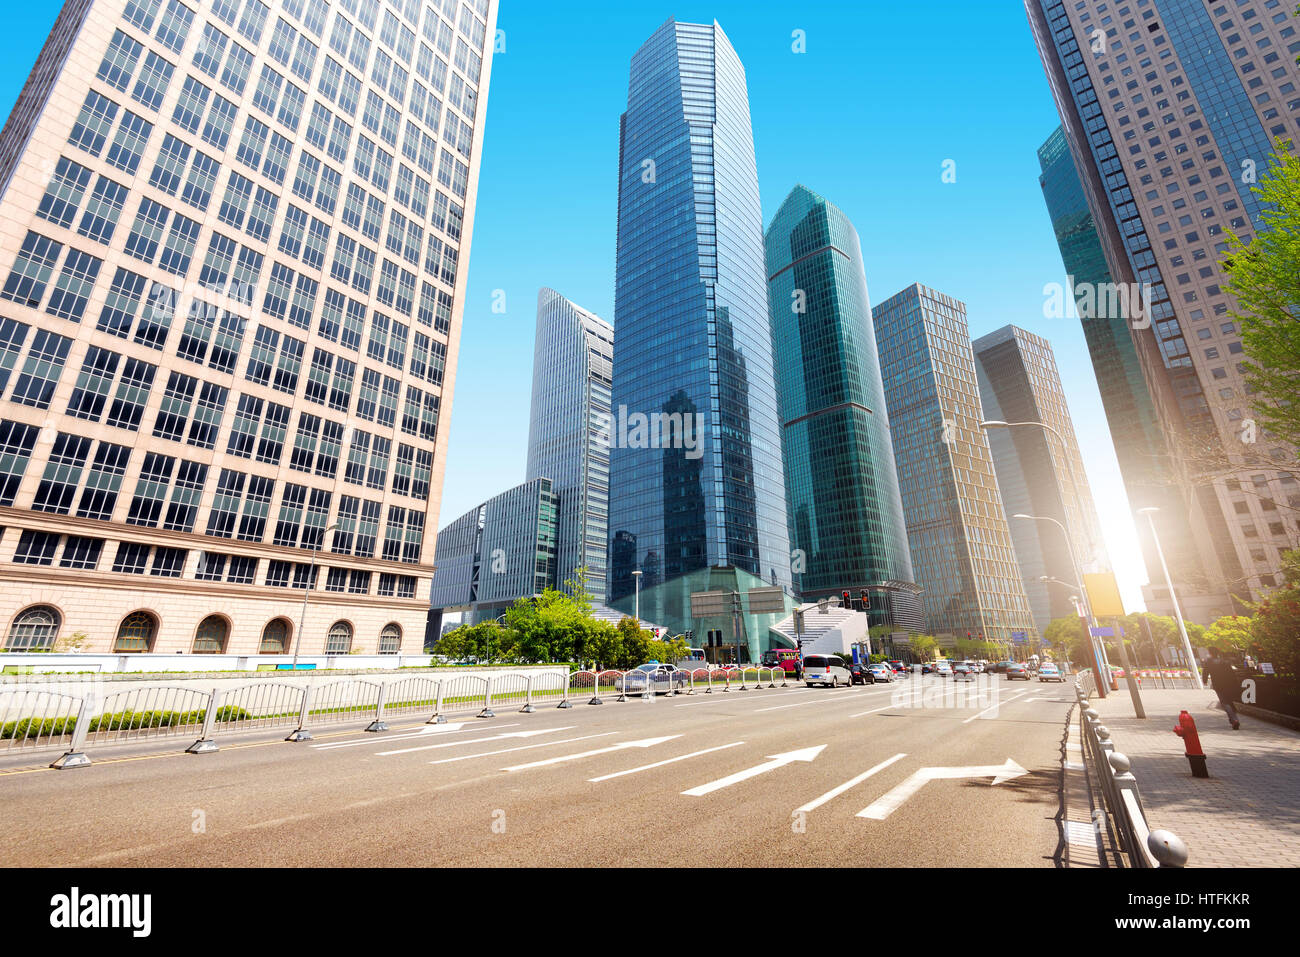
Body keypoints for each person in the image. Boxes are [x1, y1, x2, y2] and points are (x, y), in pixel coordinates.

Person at [1204, 651, 1242, 730]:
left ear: (1211, 654)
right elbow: (1231, 673)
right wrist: (1235, 683)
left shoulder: (1209, 663)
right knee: (1229, 700)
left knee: (1225, 702)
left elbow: (1205, 672)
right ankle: (1234, 714)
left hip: (1218, 685)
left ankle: (1234, 719)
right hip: (1228, 684)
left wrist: (1204, 681)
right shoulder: (1224, 661)